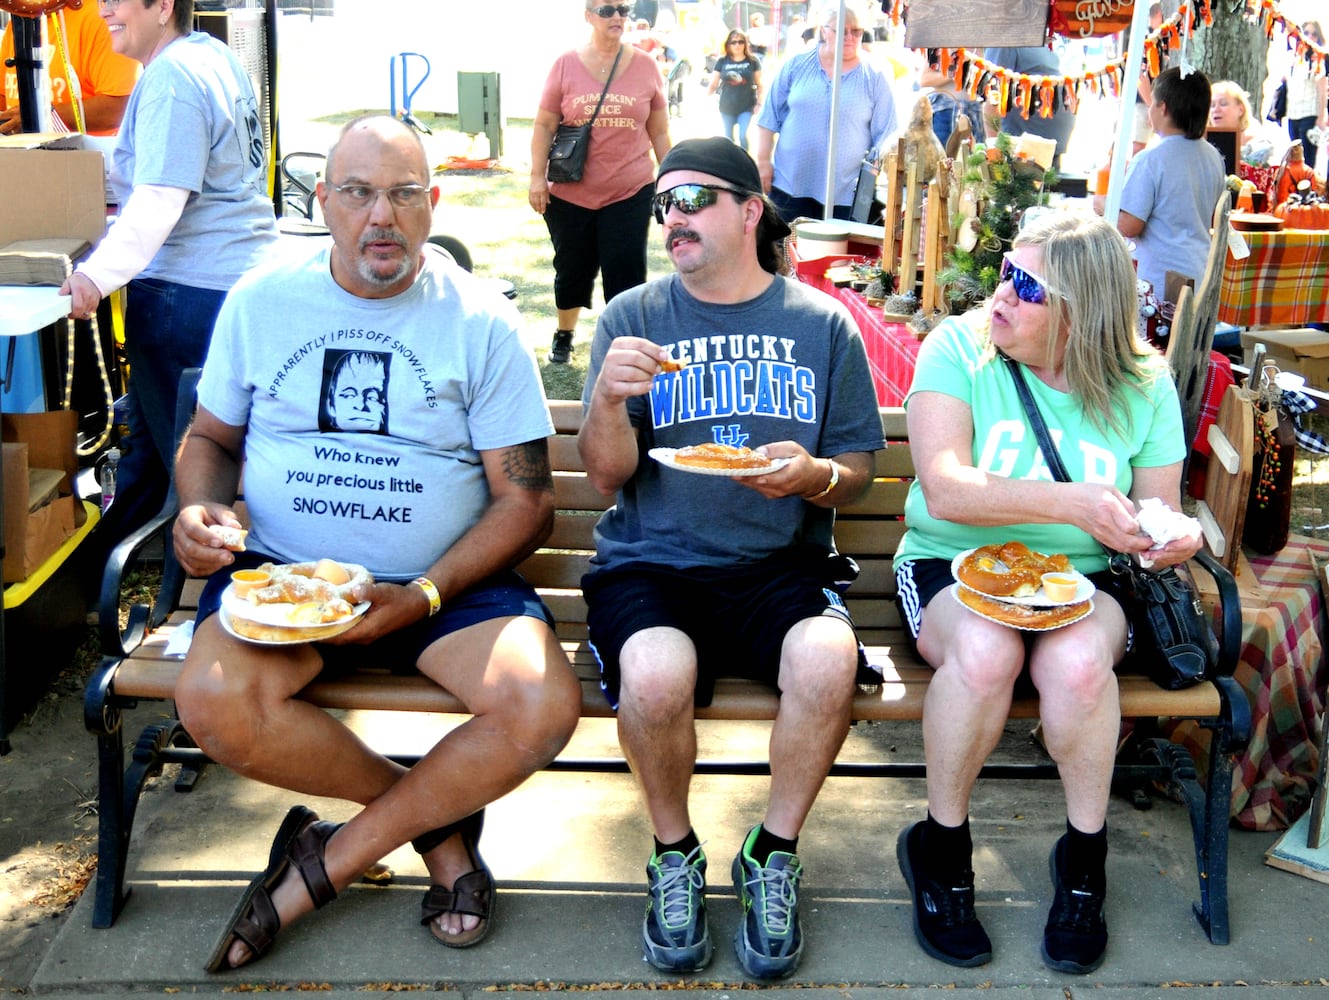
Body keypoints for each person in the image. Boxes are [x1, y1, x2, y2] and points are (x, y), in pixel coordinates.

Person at [170, 114, 581, 972]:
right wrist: (200, 511)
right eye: (357, 193)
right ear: (324, 202)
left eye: (401, 194)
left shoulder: (481, 320)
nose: (379, 217)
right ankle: (437, 836)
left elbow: (526, 502)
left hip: (445, 588)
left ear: (432, 205)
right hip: (286, 584)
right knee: (211, 703)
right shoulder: (262, 302)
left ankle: (322, 866)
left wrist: (425, 593)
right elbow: (209, 441)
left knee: (538, 706)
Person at [577, 137, 885, 979]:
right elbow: (607, 474)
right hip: (650, 564)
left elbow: (856, 470)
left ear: (750, 210)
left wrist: (814, 474)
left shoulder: (820, 325)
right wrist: (606, 396)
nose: (672, 217)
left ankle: (772, 851)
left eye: (694, 199)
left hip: (776, 565)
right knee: (653, 676)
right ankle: (674, 852)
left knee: (827, 661)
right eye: (662, 204)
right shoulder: (631, 317)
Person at [892, 210, 1202, 976]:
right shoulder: (959, 350)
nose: (1000, 295)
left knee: (1076, 668)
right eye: (1004, 270)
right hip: (952, 562)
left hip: (1080, 578)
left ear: (1080, 309)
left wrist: (1172, 536)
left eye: (1025, 286)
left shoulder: (1142, 382)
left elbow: (1158, 505)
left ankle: (1084, 865)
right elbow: (945, 489)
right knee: (985, 651)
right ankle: (942, 850)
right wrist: (1070, 502)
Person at [59, 0, 277, 593]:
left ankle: (192, 611)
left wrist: (92, 279)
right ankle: (95, 578)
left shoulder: (171, 79)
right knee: (157, 451)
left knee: (192, 468)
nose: (104, 9)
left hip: (188, 294)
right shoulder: (208, 57)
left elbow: (159, 199)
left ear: (162, 5)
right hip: (223, 288)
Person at [529, 0, 672, 366]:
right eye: (607, 10)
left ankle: (624, 344)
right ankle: (565, 334)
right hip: (571, 194)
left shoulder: (646, 65)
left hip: (630, 191)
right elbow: (545, 125)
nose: (618, 17)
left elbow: (659, 130)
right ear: (589, 16)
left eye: (623, 9)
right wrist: (535, 177)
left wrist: (670, 178)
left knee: (626, 271)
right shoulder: (565, 64)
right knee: (571, 268)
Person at [752, 1, 897, 222]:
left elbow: (886, 134)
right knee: (784, 253)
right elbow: (769, 116)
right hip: (789, 184)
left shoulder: (875, 75)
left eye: (856, 31)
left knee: (839, 256)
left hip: (847, 193)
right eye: (842, 31)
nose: (849, 37)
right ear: (824, 31)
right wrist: (763, 161)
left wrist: (870, 180)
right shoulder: (796, 64)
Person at [1117, 67, 1225, 298]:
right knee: (1191, 332)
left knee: (1163, 334)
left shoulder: (1150, 158)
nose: (1149, 113)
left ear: (1163, 108)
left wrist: (1102, 206)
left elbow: (1130, 225)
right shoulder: (1213, 156)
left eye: (1152, 104)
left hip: (1159, 277)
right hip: (1200, 267)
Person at [1, 1, 137, 135]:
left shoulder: (101, 17)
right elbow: (3, 97)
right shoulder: (19, 19)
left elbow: (120, 108)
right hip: (20, 154)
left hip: (87, 153)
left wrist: (40, 117)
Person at [981, 46, 1077, 171]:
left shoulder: (1044, 40)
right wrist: (994, 149)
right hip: (1022, 152)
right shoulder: (1006, 41)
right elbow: (992, 96)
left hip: (1048, 150)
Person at [707, 29, 762, 151]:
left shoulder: (753, 61)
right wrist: (706, 96)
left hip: (746, 105)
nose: (737, 45)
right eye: (734, 42)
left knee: (742, 136)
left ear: (745, 44)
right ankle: (731, 164)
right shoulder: (722, 61)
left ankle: (745, 161)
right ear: (728, 44)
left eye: (740, 42)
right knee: (728, 139)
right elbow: (714, 83)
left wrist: (759, 103)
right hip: (727, 105)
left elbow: (760, 84)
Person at [1283, 21, 1327, 171]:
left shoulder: (1317, 60)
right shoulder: (1293, 59)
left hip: (1309, 114)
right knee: (1294, 157)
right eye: (1306, 33)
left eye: (1314, 34)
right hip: (1293, 113)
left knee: (1307, 160)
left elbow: (1322, 90)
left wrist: (1321, 118)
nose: (1310, 36)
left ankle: (1308, 192)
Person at [1130, 3, 1165, 154]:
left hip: (1158, 102)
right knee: (1139, 147)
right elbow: (1140, 77)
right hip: (1146, 102)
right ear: (1158, 15)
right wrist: (1152, 106)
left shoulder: (1162, 40)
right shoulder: (1147, 41)